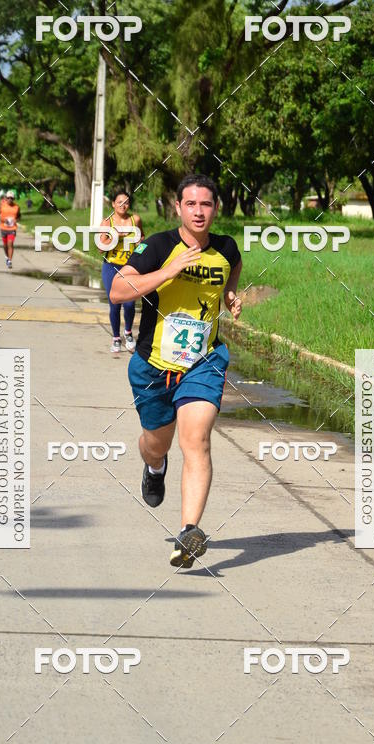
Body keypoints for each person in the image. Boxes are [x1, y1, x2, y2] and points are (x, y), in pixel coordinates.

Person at [110, 174, 242, 568]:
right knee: (157, 442)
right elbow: (118, 291)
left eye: (206, 204)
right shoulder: (159, 246)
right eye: (191, 204)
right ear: (178, 207)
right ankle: (154, 467)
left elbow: (232, 267)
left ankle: (189, 533)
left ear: (215, 208)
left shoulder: (225, 247)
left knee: (197, 440)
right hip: (153, 365)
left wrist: (230, 295)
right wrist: (168, 272)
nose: (199, 211)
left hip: (204, 361)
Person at [98, 188, 144, 354]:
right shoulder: (107, 222)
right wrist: (114, 235)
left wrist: (141, 249)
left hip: (130, 267)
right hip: (111, 266)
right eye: (119, 202)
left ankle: (129, 332)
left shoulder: (135, 219)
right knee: (115, 303)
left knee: (130, 303)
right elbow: (100, 248)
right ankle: (116, 338)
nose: (123, 206)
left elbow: (142, 239)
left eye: (126, 202)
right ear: (113, 204)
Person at [0, 191, 21, 269]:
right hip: (3, 228)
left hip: (12, 228)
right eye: (8, 198)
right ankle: (7, 257)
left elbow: (19, 217)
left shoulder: (17, 207)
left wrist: (16, 220)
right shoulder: (2, 206)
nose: (10, 199)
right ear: (6, 198)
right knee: (5, 246)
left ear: (13, 199)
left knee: (10, 244)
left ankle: (10, 260)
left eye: (11, 198)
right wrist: (3, 220)